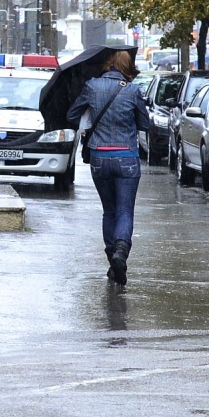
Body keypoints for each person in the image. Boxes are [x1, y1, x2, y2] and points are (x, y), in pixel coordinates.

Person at [67, 50, 150, 286]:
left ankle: (111, 259)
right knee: (125, 211)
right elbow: (145, 124)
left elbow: (72, 114)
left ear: (109, 63)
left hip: (99, 158)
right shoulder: (133, 90)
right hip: (127, 157)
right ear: (127, 66)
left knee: (109, 211)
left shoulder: (92, 86)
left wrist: (92, 115)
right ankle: (120, 254)